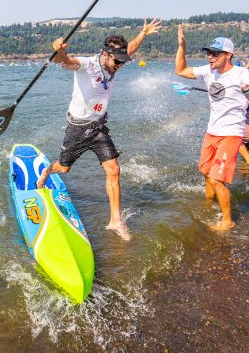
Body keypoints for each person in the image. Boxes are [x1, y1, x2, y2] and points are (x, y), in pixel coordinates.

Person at [36, 19, 163, 240]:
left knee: (113, 169)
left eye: (123, 61)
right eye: (117, 61)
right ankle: (48, 170)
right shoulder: (87, 65)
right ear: (105, 54)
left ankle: (115, 220)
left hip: (99, 127)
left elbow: (131, 48)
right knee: (64, 168)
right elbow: (66, 61)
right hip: (77, 127)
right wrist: (58, 51)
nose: (121, 65)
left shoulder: (117, 60)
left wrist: (143, 33)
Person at [175, 29, 249, 231]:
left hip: (231, 133)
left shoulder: (241, 73)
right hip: (212, 132)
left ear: (228, 55)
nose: (210, 57)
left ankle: (227, 221)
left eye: (215, 53)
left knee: (216, 179)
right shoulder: (208, 71)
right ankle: (209, 204)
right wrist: (182, 46)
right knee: (205, 172)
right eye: (209, 53)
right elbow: (181, 71)